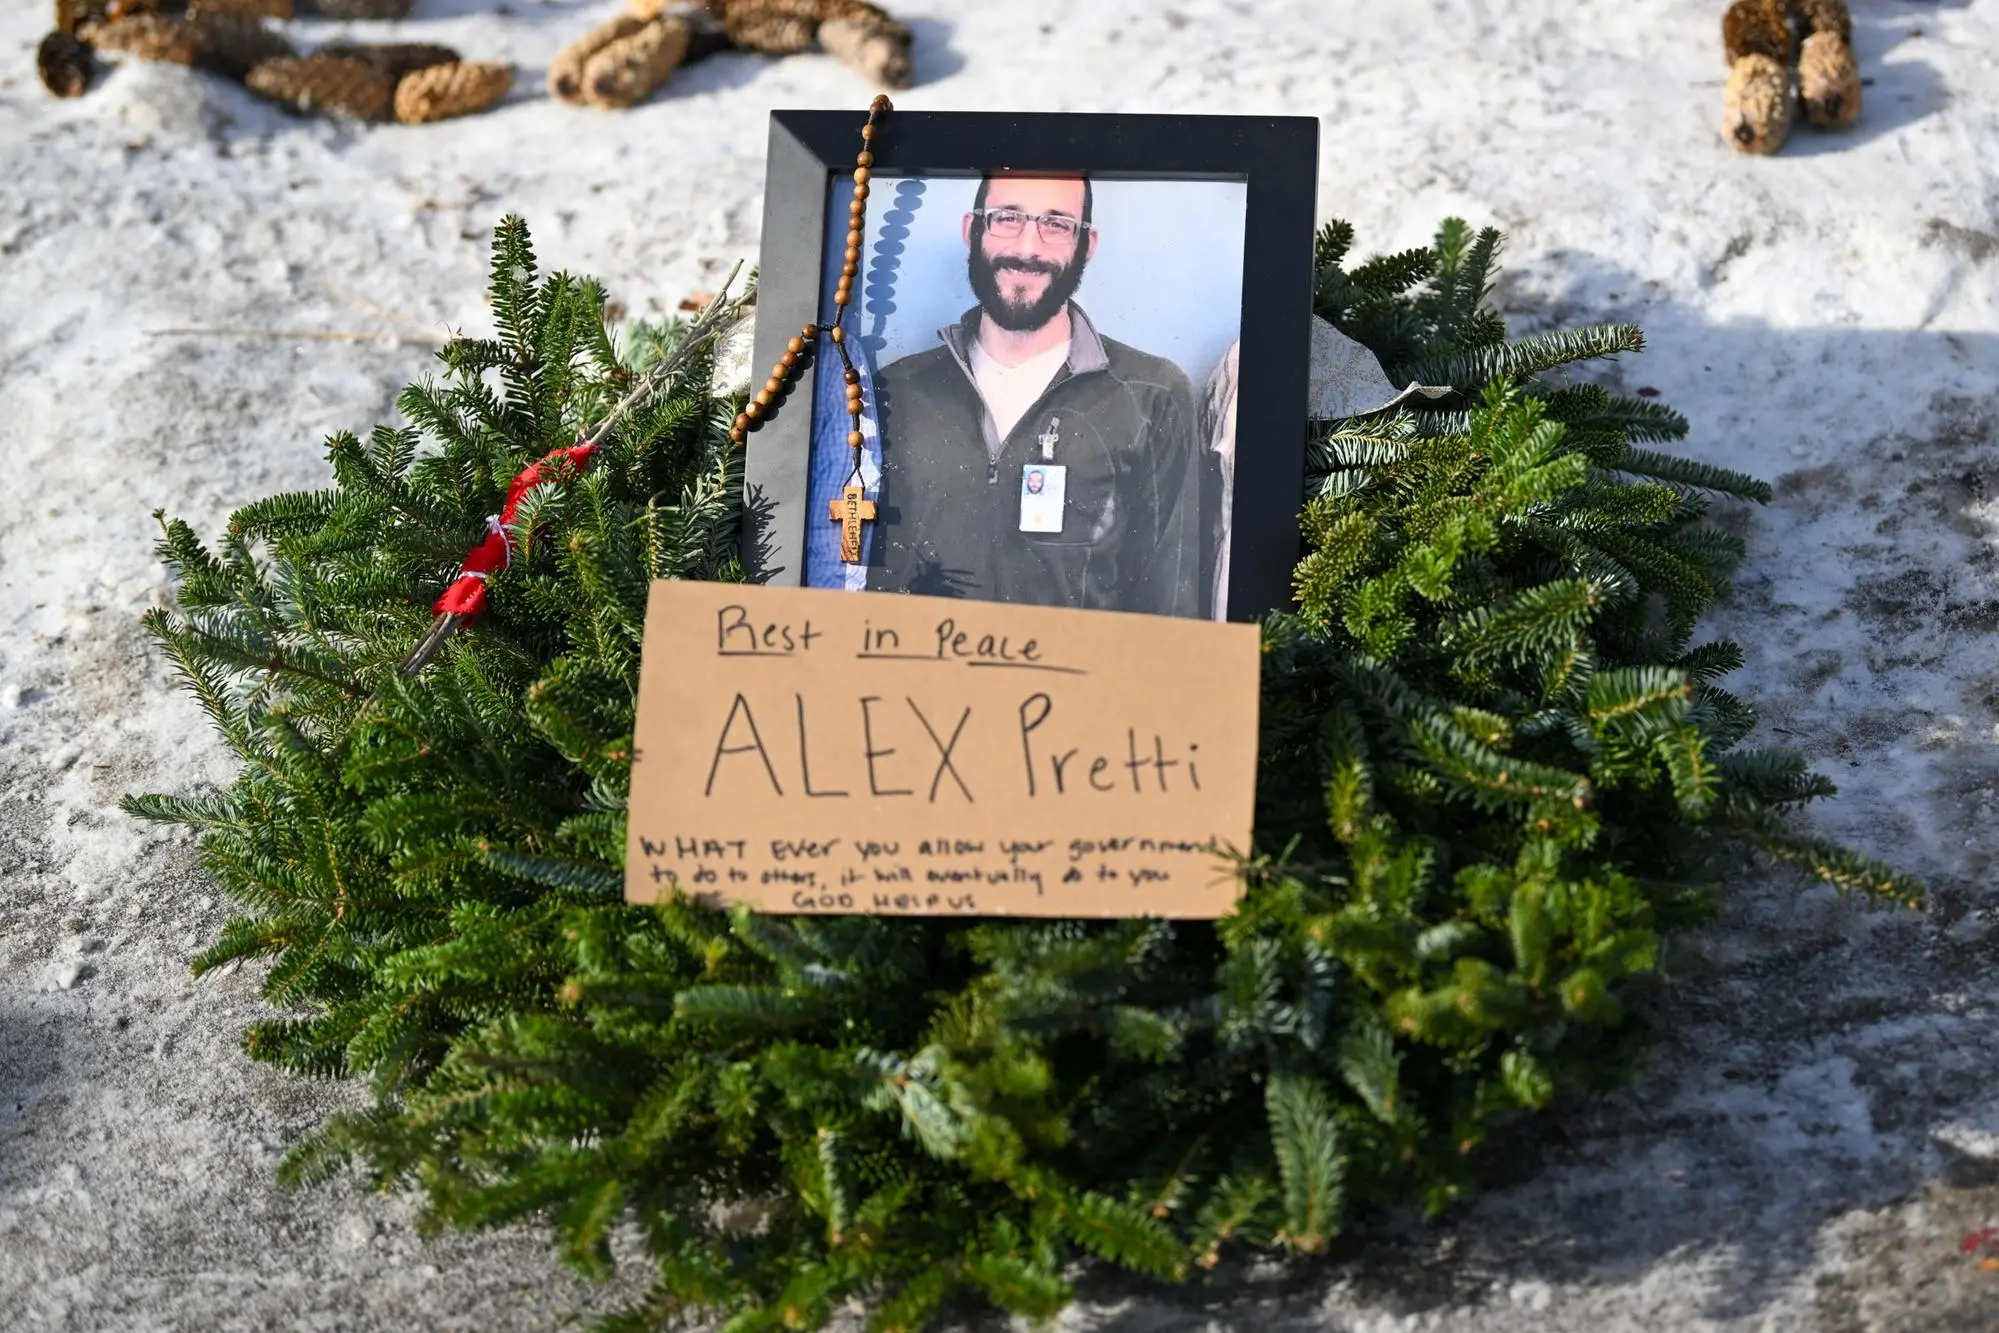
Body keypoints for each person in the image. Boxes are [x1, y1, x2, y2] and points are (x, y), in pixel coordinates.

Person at [868, 172, 1205, 617]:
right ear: (973, 230)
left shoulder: (1152, 395)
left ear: (1086, 244)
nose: (1028, 248)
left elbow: (1171, 611)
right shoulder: (894, 389)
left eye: (1056, 224)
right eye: (1007, 218)